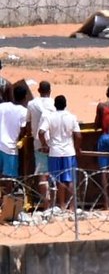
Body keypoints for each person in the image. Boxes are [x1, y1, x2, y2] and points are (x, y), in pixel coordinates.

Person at [38, 95, 81, 211]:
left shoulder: (50, 117)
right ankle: (72, 206)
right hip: (69, 151)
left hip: (55, 152)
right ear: (65, 104)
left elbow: (41, 132)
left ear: (55, 105)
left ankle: (61, 205)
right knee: (70, 179)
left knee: (58, 180)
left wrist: (44, 144)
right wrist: (77, 148)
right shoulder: (71, 117)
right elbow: (78, 135)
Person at [27, 81, 55, 210]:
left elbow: (28, 124)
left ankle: (46, 204)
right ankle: (55, 204)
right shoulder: (55, 103)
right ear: (50, 91)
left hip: (38, 143)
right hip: (54, 144)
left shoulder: (32, 104)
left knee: (42, 174)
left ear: (38, 90)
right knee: (55, 173)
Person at [0, 85, 29, 196]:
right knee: (9, 177)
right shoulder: (24, 112)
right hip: (10, 147)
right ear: (25, 97)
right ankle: (7, 200)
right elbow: (23, 129)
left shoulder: (2, 106)